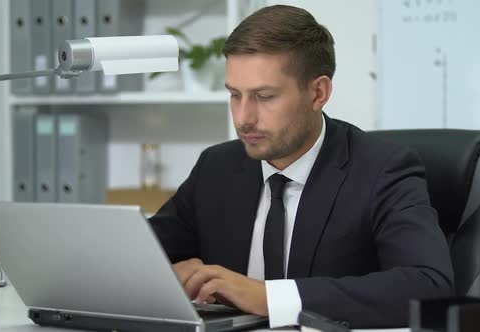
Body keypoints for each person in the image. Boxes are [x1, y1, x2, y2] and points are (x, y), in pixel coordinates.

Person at [149, 4, 454, 328]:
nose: (243, 118)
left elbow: (430, 287)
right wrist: (164, 275)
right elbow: (136, 256)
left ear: (318, 93)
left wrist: (268, 298)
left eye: (264, 96)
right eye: (235, 95)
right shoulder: (217, 167)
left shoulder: (383, 169)